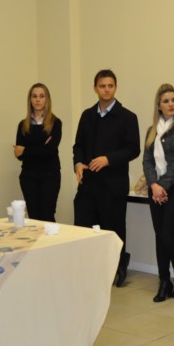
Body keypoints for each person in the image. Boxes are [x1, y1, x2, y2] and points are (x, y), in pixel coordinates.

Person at [73, 69, 140, 286]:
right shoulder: (87, 115)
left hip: (113, 185)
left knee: (113, 229)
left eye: (110, 86)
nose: (107, 90)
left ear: (115, 87)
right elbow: (78, 146)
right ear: (96, 88)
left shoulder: (127, 117)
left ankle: (118, 267)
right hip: (88, 185)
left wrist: (108, 159)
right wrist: (78, 163)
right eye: (102, 86)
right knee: (83, 228)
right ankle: (88, 270)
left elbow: (133, 149)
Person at [142, 84, 174, 302]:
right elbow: (147, 161)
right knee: (160, 236)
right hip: (156, 190)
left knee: (167, 235)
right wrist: (154, 185)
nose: (171, 104)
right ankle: (164, 281)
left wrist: (161, 185)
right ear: (159, 105)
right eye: (166, 101)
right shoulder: (151, 130)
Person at [13, 83, 62, 222]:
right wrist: (41, 147)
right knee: (34, 218)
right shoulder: (23, 125)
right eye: (34, 96)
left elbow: (50, 151)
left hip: (50, 175)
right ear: (30, 100)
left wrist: (26, 149)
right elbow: (19, 155)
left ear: (47, 99)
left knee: (47, 216)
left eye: (41, 96)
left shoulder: (55, 123)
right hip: (28, 176)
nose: (38, 100)